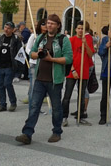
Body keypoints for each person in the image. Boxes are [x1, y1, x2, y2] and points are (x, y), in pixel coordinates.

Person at [16, 14, 73, 145]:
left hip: (55, 79)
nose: (49, 25)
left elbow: (69, 58)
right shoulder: (41, 38)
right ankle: (27, 133)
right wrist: (38, 53)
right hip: (40, 78)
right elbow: (32, 53)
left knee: (56, 107)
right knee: (34, 106)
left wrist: (51, 59)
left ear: (58, 25)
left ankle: (57, 131)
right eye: (48, 23)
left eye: (52, 23)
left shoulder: (63, 40)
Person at [62, 20, 94, 126]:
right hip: (72, 72)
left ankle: (80, 117)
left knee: (81, 96)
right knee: (67, 96)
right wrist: (73, 70)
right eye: (79, 28)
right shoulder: (71, 40)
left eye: (82, 29)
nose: (80, 30)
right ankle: (64, 117)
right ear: (76, 29)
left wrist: (85, 44)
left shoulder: (87, 40)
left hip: (83, 71)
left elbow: (90, 55)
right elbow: (67, 57)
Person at [0, 21, 22, 112]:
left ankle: (13, 102)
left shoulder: (16, 40)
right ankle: (2, 104)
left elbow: (20, 54)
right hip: (0, 66)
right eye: (5, 27)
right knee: (0, 86)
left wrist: (19, 69)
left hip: (10, 66)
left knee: (7, 84)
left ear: (13, 29)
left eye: (9, 28)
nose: (6, 30)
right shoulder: (0, 38)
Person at [23, 19, 46, 105]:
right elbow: (27, 48)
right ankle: (32, 103)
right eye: (43, 24)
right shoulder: (34, 36)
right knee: (33, 84)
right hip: (34, 62)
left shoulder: (47, 36)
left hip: (43, 63)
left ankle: (41, 99)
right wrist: (33, 54)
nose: (45, 26)